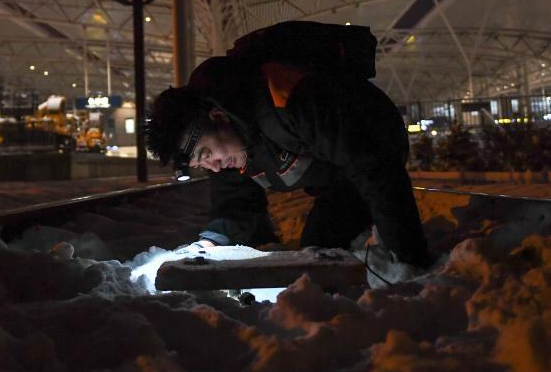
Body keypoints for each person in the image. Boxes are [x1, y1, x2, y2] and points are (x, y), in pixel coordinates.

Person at [144, 29, 433, 268]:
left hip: (373, 138)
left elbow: (374, 168)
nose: (214, 167)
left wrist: (408, 258)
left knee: (329, 248)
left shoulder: (288, 98)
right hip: (334, 174)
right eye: (202, 165)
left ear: (219, 117)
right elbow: (235, 202)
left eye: (206, 155)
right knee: (317, 251)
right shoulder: (227, 144)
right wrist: (209, 243)